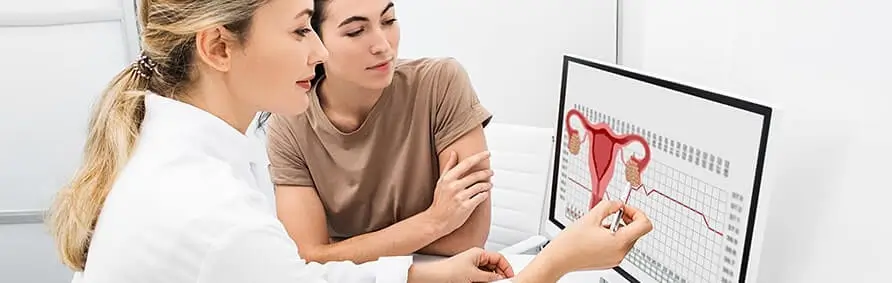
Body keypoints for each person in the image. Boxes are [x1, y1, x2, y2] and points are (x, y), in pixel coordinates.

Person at [45, 0, 653, 282]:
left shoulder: (173, 157)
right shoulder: (217, 217)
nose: (317, 52)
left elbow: (302, 271)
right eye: (301, 30)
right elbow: (292, 262)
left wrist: (418, 277)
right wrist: (561, 261)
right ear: (219, 47)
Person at [262, 0, 496, 264]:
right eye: (356, 31)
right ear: (314, 39)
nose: (383, 46)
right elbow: (308, 256)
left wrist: (345, 250)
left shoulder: (440, 83)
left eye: (388, 20)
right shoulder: (290, 122)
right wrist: (436, 220)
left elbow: (468, 237)